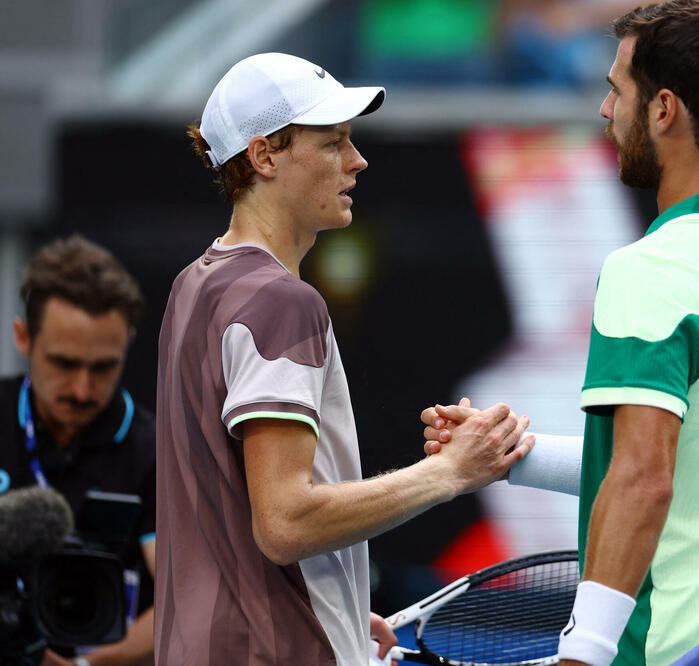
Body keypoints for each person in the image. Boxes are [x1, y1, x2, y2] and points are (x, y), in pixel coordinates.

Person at [423, 2, 699, 664]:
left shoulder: (648, 272)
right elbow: (698, 461)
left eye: (615, 89)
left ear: (662, 110)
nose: (605, 110)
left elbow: (642, 478)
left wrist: (584, 650)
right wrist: (514, 455)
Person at [155, 52, 533, 665]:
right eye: (333, 143)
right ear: (265, 156)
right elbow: (284, 522)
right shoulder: (280, 301)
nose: (357, 161)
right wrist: (450, 473)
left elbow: (233, 514)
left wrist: (339, 603)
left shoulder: (195, 285)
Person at [0, 235, 155, 666]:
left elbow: (184, 595)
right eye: (64, 364)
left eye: (103, 367)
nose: (83, 389)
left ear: (127, 343)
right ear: (23, 337)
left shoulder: (154, 451)